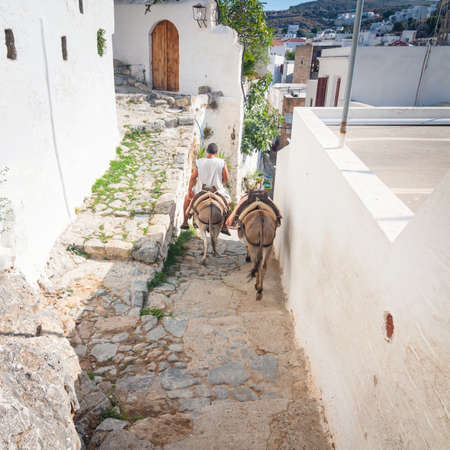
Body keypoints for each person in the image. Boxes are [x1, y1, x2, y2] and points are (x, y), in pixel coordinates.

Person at [181, 143, 231, 234]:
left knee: (186, 199)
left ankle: (185, 222)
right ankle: (224, 226)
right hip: (217, 191)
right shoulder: (221, 162)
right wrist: (220, 183)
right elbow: (226, 178)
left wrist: (189, 190)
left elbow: (193, 178)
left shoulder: (199, 162)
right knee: (229, 203)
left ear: (206, 151)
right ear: (217, 152)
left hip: (200, 191)